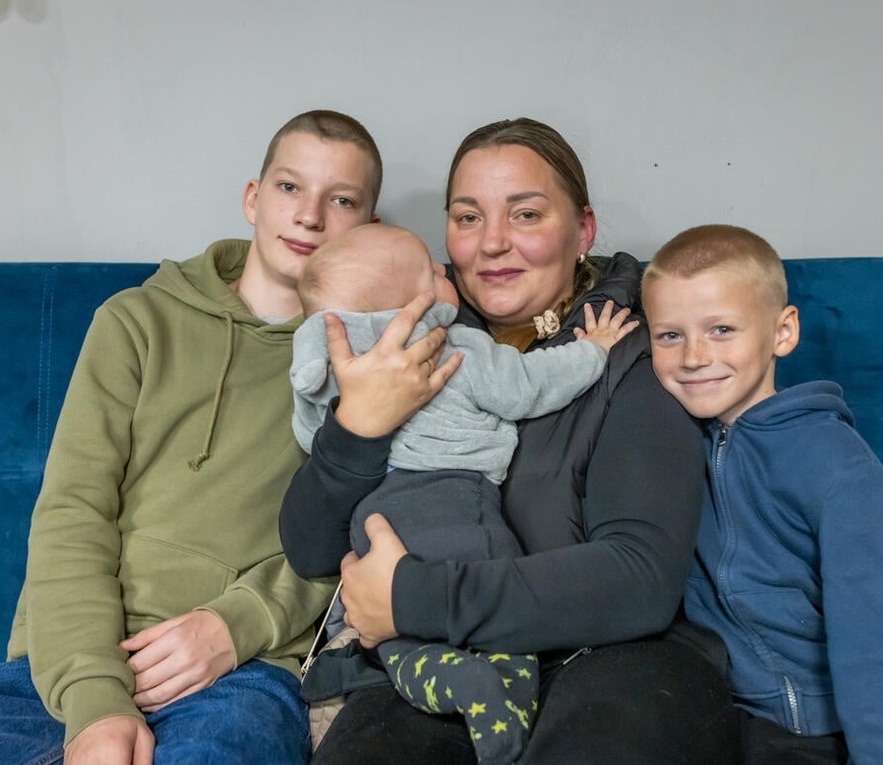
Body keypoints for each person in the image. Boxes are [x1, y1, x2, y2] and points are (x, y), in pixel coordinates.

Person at [0, 109, 393, 765]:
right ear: (253, 197)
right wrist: (97, 699)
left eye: (342, 199)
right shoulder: (135, 321)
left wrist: (234, 623)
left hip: (239, 672)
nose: (309, 215)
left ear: (370, 228)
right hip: (66, 664)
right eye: (290, 187)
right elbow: (73, 513)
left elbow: (357, 535)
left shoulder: (370, 363)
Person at [280, 118, 737, 765]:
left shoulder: (636, 351)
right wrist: (359, 424)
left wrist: (412, 596)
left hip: (613, 654)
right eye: (468, 218)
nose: (492, 243)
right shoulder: (396, 344)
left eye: (525, 214)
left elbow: (639, 576)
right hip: (436, 659)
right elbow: (310, 550)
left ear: (582, 230)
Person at [640, 223, 883, 764]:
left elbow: (873, 635)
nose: (694, 356)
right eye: (669, 335)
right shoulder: (669, 447)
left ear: (782, 333)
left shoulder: (837, 463)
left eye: (722, 329)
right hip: (765, 717)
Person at [291, 223, 638, 765]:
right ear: (415, 304)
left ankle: (419, 671)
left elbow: (306, 436)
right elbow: (528, 386)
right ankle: (500, 712)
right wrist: (591, 353)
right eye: (433, 271)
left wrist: (348, 420)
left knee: (396, 635)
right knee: (506, 637)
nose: (445, 271)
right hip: (459, 512)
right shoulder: (456, 348)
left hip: (375, 525)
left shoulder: (328, 369)